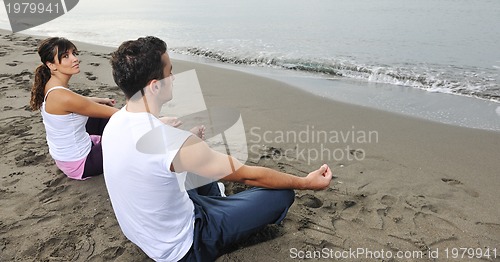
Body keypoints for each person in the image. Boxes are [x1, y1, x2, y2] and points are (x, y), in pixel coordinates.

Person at [103, 36, 333, 262]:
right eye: (170, 72)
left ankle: (219, 200)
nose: (174, 78)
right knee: (282, 193)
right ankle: (223, 208)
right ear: (155, 86)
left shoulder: (114, 123)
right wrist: (306, 182)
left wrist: (184, 141)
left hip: (147, 234)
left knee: (194, 163)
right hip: (186, 245)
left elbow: (152, 153)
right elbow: (247, 175)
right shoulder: (172, 142)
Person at [30, 37, 118, 180]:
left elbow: (79, 102)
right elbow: (119, 115)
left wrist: (101, 100)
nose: (75, 59)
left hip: (66, 158)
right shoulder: (63, 96)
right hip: (82, 164)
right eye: (66, 56)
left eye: (74, 54)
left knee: (102, 115)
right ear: (51, 65)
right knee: (124, 130)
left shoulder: (51, 86)